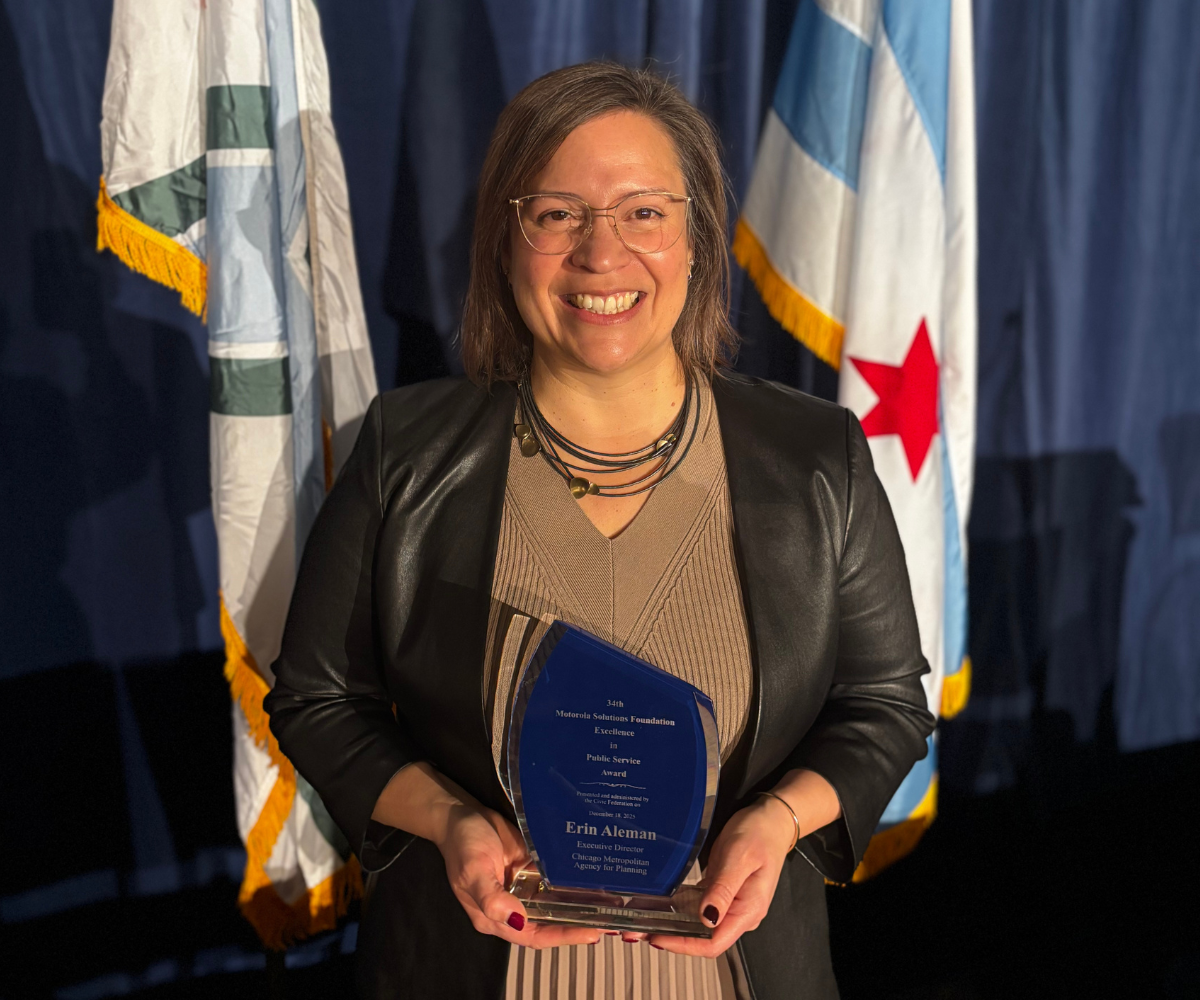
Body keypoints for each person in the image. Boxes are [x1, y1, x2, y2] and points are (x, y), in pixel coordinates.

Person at [265, 61, 934, 1000]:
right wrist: (449, 821)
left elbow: (886, 704)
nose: (601, 253)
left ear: (697, 239)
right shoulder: (405, 452)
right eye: (557, 214)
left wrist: (779, 819)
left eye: (643, 212)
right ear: (506, 242)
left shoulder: (817, 457)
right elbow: (316, 699)